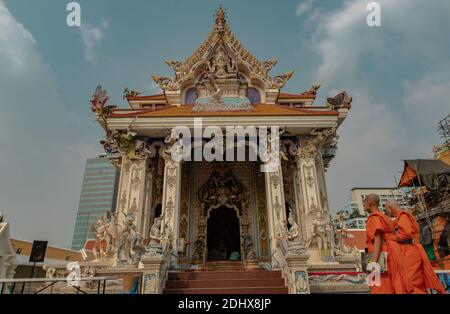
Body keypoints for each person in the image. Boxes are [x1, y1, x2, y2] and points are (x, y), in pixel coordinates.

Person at [385, 200, 446, 294]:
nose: (386, 212)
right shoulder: (402, 217)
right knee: (412, 282)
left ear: (390, 208)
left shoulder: (403, 216)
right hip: (408, 250)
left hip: (408, 252)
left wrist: (390, 237)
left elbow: (406, 233)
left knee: (412, 282)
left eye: (386, 209)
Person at [364, 194, 413, 294]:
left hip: (378, 255)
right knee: (389, 285)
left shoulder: (375, 218)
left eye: (364, 203)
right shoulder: (385, 217)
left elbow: (377, 240)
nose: (364, 206)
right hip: (388, 253)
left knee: (379, 287)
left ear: (369, 203)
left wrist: (373, 263)